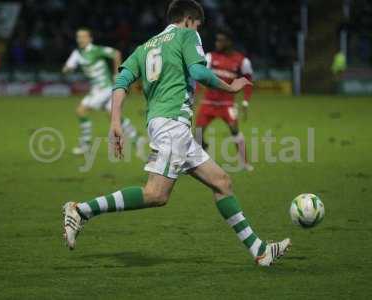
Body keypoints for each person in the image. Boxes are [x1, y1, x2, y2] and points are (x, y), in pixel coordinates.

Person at [62, 0, 290, 267]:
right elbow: (198, 71)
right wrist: (231, 87)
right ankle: (80, 211)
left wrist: (115, 121)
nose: (199, 32)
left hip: (167, 124)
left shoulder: (145, 47)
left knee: (222, 182)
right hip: (172, 125)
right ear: (188, 20)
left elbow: (121, 80)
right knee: (156, 194)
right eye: (198, 26)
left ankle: (259, 251)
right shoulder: (187, 34)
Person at [62, 28, 142, 155]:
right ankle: (136, 139)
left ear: (90, 38)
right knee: (112, 115)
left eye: (83, 36)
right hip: (96, 89)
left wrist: (117, 75)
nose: (80, 39)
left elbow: (116, 54)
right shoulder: (77, 53)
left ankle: (85, 144)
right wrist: (67, 69)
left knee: (81, 110)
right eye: (78, 37)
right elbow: (68, 67)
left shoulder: (96, 50)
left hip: (105, 87)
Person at [196, 27, 254, 171]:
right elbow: (199, 77)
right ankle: (199, 161)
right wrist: (194, 96)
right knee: (197, 132)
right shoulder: (210, 57)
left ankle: (244, 163)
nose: (217, 43)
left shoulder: (242, 61)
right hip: (208, 102)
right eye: (217, 40)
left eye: (221, 40)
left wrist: (245, 101)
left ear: (229, 42)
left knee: (235, 130)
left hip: (228, 104)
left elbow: (248, 81)